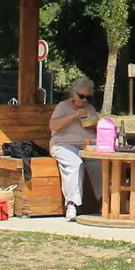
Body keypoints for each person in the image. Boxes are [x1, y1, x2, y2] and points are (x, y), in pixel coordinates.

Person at [48, 77, 100, 220]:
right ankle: (72, 205)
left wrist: (94, 124)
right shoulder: (62, 107)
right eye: (81, 96)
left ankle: (105, 201)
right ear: (73, 94)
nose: (84, 100)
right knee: (75, 163)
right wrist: (74, 115)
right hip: (64, 144)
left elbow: (99, 128)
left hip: (87, 146)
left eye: (88, 97)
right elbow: (53, 126)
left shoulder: (90, 109)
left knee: (100, 163)